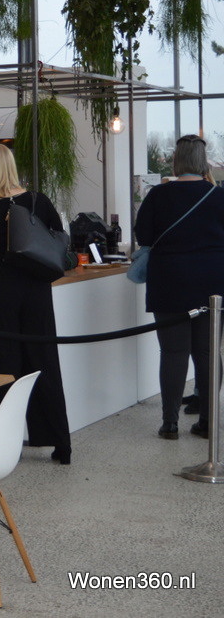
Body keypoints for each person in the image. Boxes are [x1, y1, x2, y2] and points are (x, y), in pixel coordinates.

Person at [0, 143, 72, 465]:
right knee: (44, 363)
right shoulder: (38, 201)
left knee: (3, 368)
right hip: (35, 289)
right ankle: (60, 444)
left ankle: (6, 444)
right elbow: (59, 239)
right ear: (12, 168)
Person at [135, 134, 224, 441]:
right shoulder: (218, 195)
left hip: (169, 281)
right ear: (203, 163)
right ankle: (208, 422)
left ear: (176, 161)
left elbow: (144, 236)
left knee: (173, 352)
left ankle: (170, 423)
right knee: (207, 352)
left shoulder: (158, 195)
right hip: (213, 283)